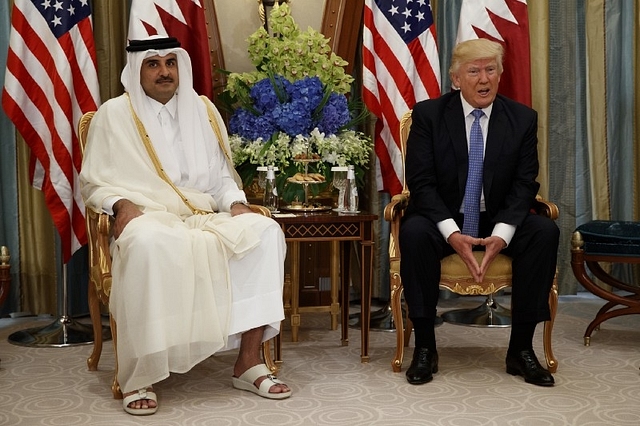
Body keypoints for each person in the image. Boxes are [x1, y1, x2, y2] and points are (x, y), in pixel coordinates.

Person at [80, 36, 291, 416]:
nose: (164, 71)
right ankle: (140, 374)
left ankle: (248, 361)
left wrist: (237, 204)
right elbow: (94, 183)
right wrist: (121, 204)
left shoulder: (203, 111)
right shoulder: (113, 115)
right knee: (146, 244)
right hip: (147, 216)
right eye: (153, 64)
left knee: (265, 233)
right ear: (137, 69)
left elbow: (222, 179)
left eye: (170, 63)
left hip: (203, 215)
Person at [399, 38, 559, 387]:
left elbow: (524, 184)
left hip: (496, 217)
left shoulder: (521, 119)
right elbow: (421, 183)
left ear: (500, 75)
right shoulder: (428, 116)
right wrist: (452, 234)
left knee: (544, 232)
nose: (483, 78)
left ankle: (521, 350)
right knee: (413, 232)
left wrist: (501, 236)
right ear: (456, 79)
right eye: (474, 71)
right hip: (443, 215)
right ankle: (425, 347)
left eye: (490, 69)